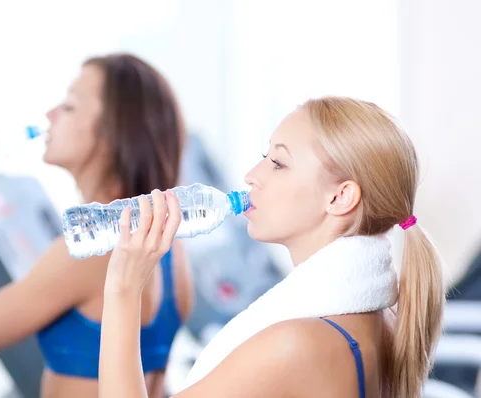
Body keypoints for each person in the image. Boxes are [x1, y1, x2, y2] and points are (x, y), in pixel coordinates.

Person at [98, 96, 446, 398]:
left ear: (340, 197)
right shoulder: (382, 319)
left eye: (278, 164)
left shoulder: (294, 345)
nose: (251, 175)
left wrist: (123, 288)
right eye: (265, 156)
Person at [0, 53, 194, 398]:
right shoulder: (169, 247)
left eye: (69, 107)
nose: (49, 116)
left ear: (111, 134)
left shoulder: (91, 254)